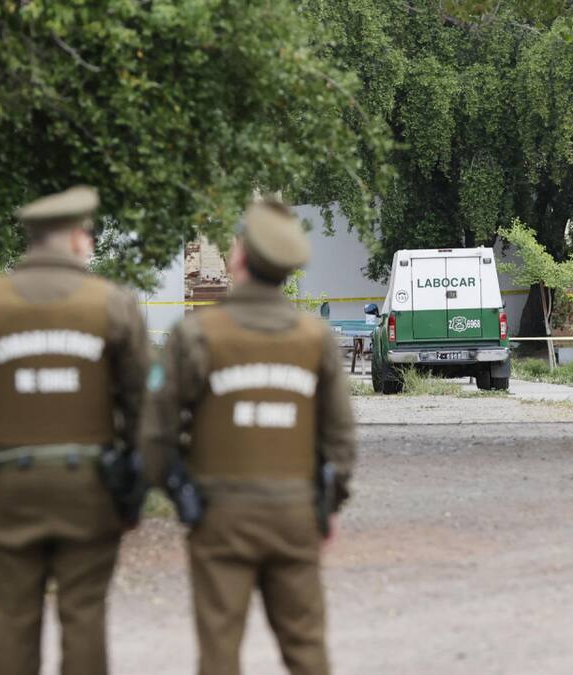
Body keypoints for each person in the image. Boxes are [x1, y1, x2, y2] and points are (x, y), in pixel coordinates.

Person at [0, 186, 150, 675]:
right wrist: (134, 489)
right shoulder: (113, 304)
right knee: (85, 616)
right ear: (76, 239)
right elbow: (142, 408)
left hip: (7, 488)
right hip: (89, 489)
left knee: (13, 619)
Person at [138, 197, 357, 675]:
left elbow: (155, 434)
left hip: (219, 515)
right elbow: (340, 439)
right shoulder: (315, 338)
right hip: (294, 513)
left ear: (238, 257)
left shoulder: (196, 335)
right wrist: (327, 504)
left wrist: (181, 495)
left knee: (219, 647)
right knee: (306, 646)